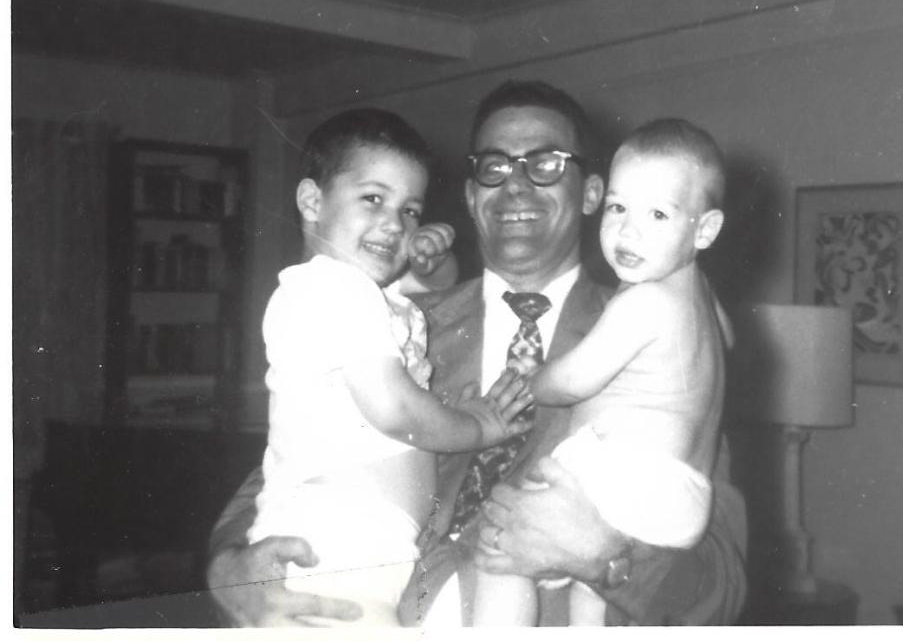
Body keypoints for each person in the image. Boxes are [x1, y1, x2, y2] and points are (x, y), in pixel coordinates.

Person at [206, 80, 748, 627]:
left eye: (546, 164)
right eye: (494, 166)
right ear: (470, 196)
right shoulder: (396, 323)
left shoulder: (663, 347)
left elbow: (721, 588)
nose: (515, 185)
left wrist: (608, 557)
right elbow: (279, 469)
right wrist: (230, 571)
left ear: (592, 195)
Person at [245, 107, 533, 626]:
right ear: (312, 201)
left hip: (372, 551)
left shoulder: (366, 297)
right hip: (333, 549)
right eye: (373, 199)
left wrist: (430, 264)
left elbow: (416, 307)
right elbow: (394, 408)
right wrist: (480, 424)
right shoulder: (332, 287)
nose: (393, 223)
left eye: (409, 211)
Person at [471, 118, 731, 625]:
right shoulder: (705, 303)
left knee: (500, 555)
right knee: (589, 605)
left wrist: (534, 378)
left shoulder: (640, 303)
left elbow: (570, 382)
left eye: (657, 214)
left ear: (705, 229)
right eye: (619, 208)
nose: (628, 231)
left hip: (632, 478)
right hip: (674, 495)